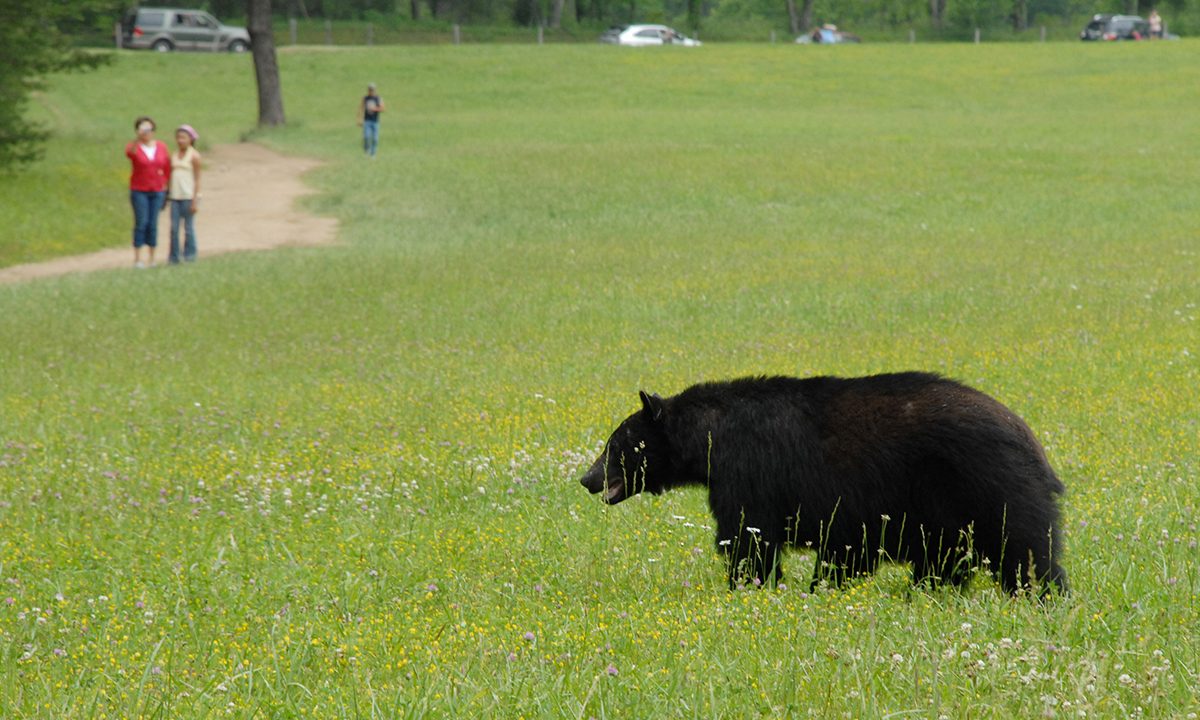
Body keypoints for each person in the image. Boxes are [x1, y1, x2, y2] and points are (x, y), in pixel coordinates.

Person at [125, 116, 171, 268]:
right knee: (141, 222)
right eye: (143, 129)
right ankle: (138, 258)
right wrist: (137, 139)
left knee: (153, 223)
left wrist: (166, 185)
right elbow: (130, 154)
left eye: (149, 129)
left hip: (157, 190)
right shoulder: (135, 146)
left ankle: (152, 258)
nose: (146, 132)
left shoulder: (161, 146)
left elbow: (166, 166)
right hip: (139, 190)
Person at [167, 124, 202, 264]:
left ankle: (190, 255)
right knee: (174, 228)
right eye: (178, 137)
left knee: (188, 228)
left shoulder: (194, 156)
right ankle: (174, 257)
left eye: (184, 137)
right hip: (175, 196)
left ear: (191, 139)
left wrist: (195, 199)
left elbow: (197, 178)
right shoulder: (174, 155)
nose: (180, 140)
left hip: (188, 196)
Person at [357, 83, 385, 158]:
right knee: (366, 137)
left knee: (375, 139)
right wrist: (359, 119)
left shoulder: (378, 98)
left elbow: (383, 108)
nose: (371, 91)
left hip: (375, 122)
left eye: (372, 90)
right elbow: (361, 108)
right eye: (370, 89)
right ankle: (366, 150)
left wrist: (375, 108)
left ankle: (373, 154)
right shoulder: (365, 98)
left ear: (375, 90)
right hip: (367, 121)